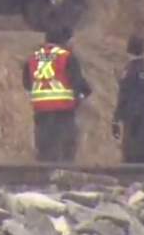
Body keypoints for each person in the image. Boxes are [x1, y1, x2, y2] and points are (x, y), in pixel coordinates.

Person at [21, 26, 92, 163]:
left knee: (45, 146)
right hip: (63, 109)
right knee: (65, 146)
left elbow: (26, 82)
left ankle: (44, 173)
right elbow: (77, 82)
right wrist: (83, 94)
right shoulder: (66, 57)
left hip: (41, 110)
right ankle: (64, 173)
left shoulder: (32, 58)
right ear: (65, 40)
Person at [112, 35, 144, 163]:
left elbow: (124, 95)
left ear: (128, 50)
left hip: (133, 119)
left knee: (132, 153)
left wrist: (116, 118)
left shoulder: (129, 70)